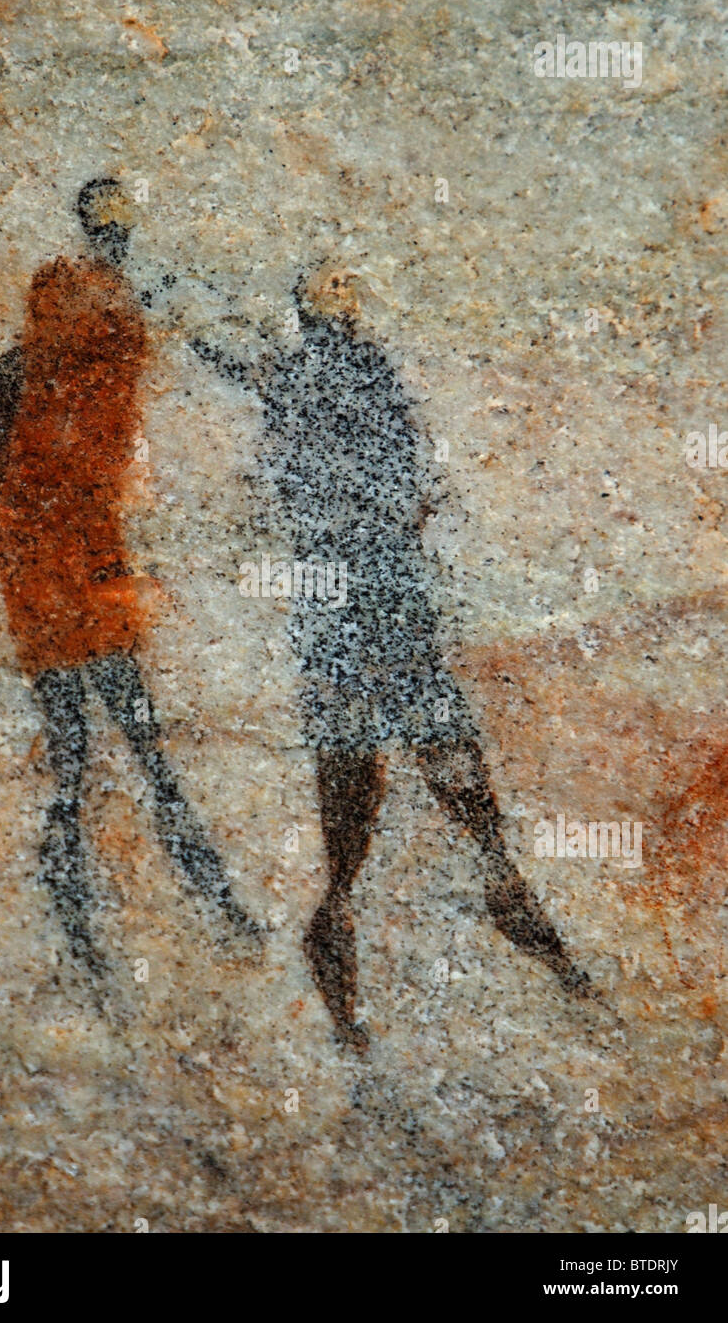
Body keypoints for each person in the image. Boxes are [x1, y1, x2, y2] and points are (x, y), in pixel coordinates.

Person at [193, 263, 592, 1051]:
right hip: (365, 597)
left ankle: (461, 893)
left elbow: (373, 482)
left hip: (364, 597)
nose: (348, 303)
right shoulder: (331, 376)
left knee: (399, 755)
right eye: (334, 292)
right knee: (384, 760)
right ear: (316, 311)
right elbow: (378, 488)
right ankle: (420, 900)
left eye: (346, 291)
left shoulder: (318, 377)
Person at [0, 178, 260, 987]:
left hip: (88, 533)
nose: (118, 228)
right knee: (80, 749)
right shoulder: (66, 288)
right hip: (42, 535)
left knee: (143, 740)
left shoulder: (122, 296)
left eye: (125, 214)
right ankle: (81, 923)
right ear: (89, 223)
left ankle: (212, 903)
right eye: (107, 215)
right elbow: (54, 377)